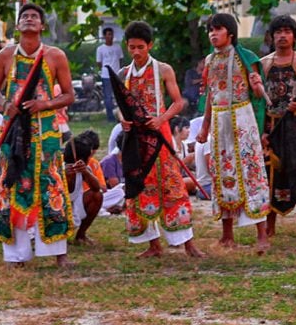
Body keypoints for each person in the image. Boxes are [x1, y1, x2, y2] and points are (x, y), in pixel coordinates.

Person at [0, 3, 75, 267]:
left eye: (34, 17)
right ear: (17, 25)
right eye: (24, 16)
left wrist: (44, 105)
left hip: (46, 130)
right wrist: (5, 105)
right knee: (13, 184)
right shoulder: (5, 56)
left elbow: (69, 94)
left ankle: (59, 255)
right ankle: (16, 255)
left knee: (51, 185)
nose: (28, 19)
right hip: (14, 129)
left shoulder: (55, 56)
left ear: (42, 26)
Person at [118, 20, 202, 258]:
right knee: (139, 184)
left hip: (159, 134)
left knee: (172, 184)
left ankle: (188, 243)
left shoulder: (163, 69)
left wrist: (161, 118)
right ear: (127, 46)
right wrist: (122, 119)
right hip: (135, 138)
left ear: (150, 45)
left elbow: (178, 102)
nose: (136, 52)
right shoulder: (125, 74)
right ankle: (153, 245)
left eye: (140, 47)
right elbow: (121, 106)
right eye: (132, 47)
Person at [195, 13, 271, 253]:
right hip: (219, 120)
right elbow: (210, 94)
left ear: (230, 33)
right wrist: (205, 126)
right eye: (210, 30)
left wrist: (258, 86)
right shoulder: (209, 60)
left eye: (218, 30)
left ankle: (261, 235)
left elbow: (259, 96)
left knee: (251, 171)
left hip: (242, 118)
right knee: (222, 171)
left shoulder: (247, 58)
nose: (213, 34)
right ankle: (227, 235)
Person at [260, 15, 296, 239]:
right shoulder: (264, 64)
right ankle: (270, 224)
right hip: (272, 127)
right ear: (272, 36)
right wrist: (262, 131)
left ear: (294, 36)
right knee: (271, 173)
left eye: (287, 31)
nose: (282, 36)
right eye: (278, 32)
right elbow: (258, 101)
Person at [63, 131, 104, 247]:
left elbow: (97, 188)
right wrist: (62, 176)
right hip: (55, 212)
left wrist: (86, 172)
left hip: (74, 209)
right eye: (88, 157)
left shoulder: (84, 169)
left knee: (97, 195)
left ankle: (81, 235)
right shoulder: (58, 168)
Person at [97, 27, 124, 124]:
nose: (110, 36)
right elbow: (99, 62)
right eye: (108, 34)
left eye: (111, 34)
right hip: (106, 75)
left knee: (119, 96)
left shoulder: (117, 47)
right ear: (104, 36)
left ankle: (121, 115)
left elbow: (121, 59)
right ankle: (110, 117)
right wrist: (104, 69)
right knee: (108, 97)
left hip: (117, 75)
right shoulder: (100, 49)